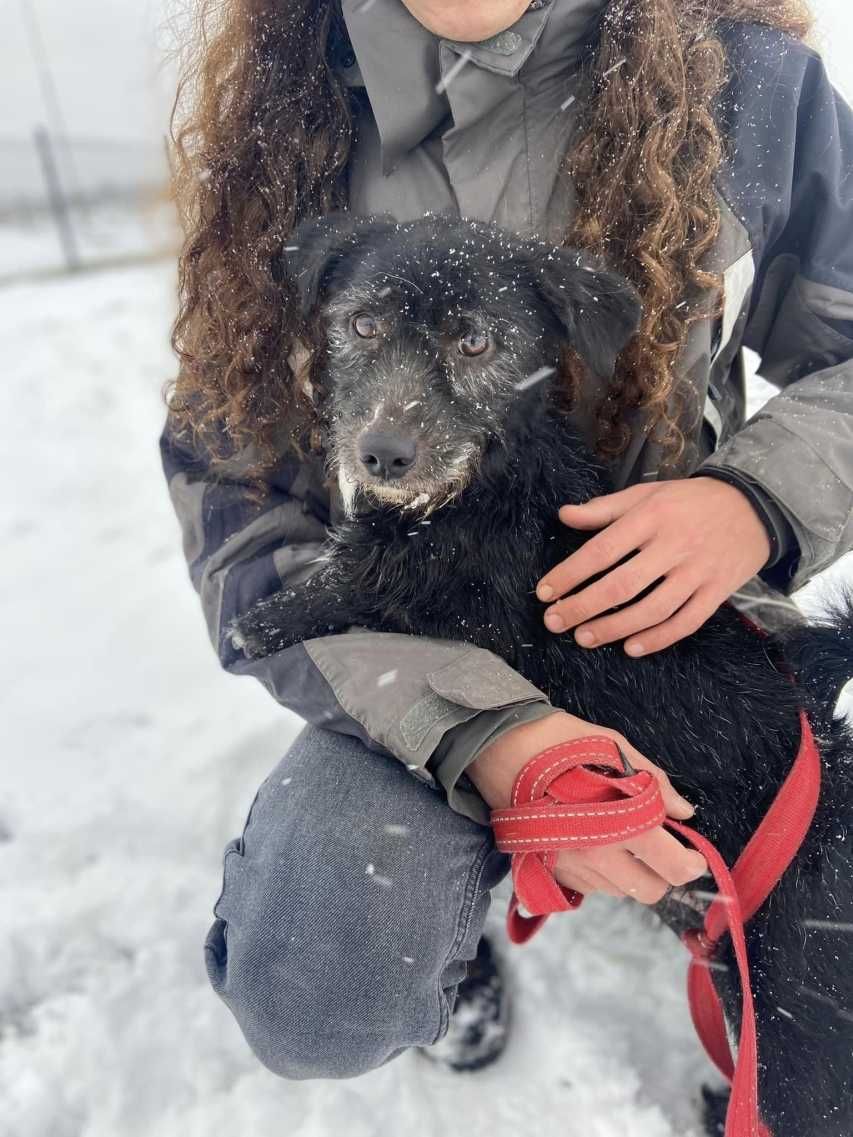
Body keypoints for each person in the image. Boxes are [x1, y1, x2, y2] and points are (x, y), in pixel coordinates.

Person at [161, 0, 853, 1080]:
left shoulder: (747, 88)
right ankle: (446, 915)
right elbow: (234, 504)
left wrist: (754, 500)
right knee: (320, 988)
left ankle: (704, 889)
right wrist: (480, 737)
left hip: (672, 644)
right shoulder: (284, 110)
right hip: (415, 656)